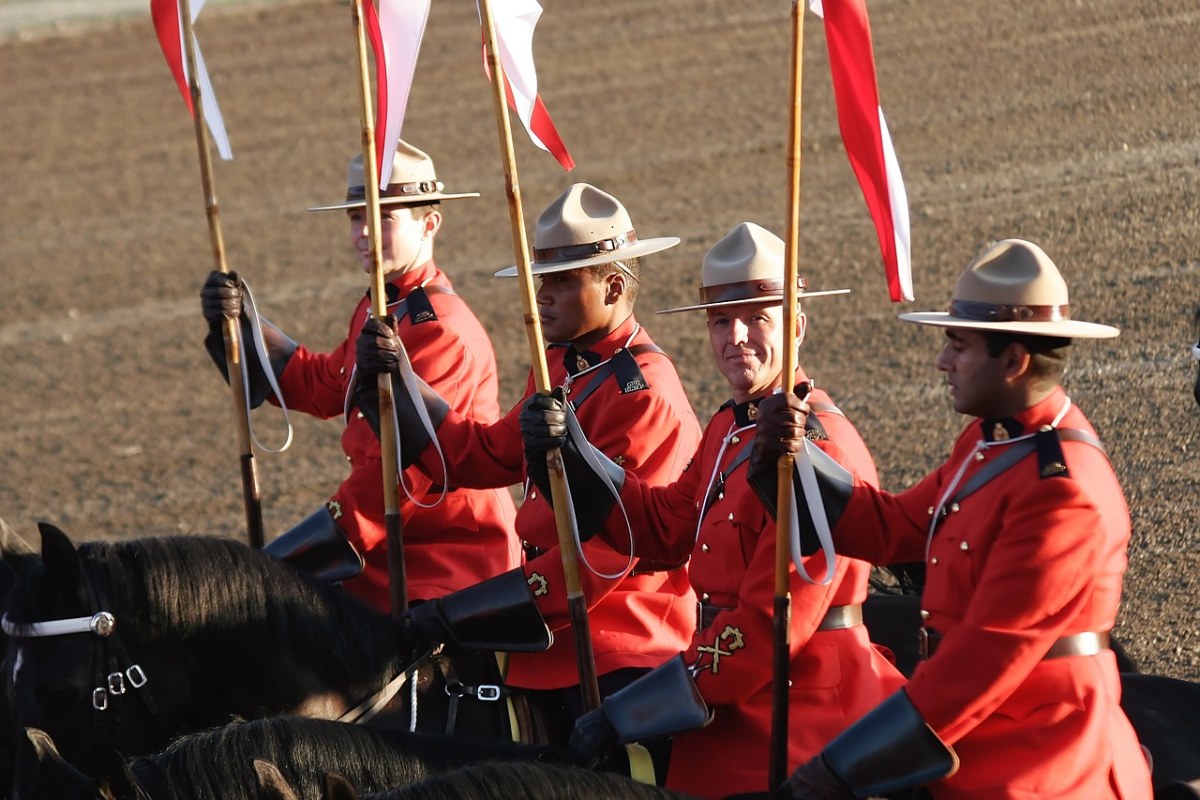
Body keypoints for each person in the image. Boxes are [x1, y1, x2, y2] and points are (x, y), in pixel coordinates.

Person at [520, 221, 906, 798]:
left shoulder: (816, 446)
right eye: (721, 321)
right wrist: (574, 455)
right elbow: (659, 527)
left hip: (802, 714)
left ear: (797, 325)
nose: (736, 338)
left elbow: (769, 629)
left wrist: (627, 712)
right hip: (728, 705)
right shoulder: (730, 425)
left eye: (757, 318)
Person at [759, 239, 1153, 799]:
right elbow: (894, 529)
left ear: (1014, 361)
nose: (942, 361)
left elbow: (981, 661)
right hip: (967, 745)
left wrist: (839, 769)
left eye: (958, 346)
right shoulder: (987, 441)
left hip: (1044, 766)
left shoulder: (1063, 491)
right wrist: (793, 456)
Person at [354, 182, 703, 756]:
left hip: (618, 640)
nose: (541, 295)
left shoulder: (644, 395)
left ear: (613, 286)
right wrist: (397, 382)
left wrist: (454, 614)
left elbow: (603, 563)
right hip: (547, 630)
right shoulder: (562, 366)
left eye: (561, 281)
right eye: (540, 279)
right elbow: (480, 454)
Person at [199, 141, 520, 613]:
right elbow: (326, 384)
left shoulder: (438, 329)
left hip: (445, 556)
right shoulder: (380, 308)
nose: (365, 231)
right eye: (355, 217)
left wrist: (300, 554)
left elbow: (403, 473)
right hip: (389, 544)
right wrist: (244, 326)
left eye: (383, 216)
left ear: (430, 224)